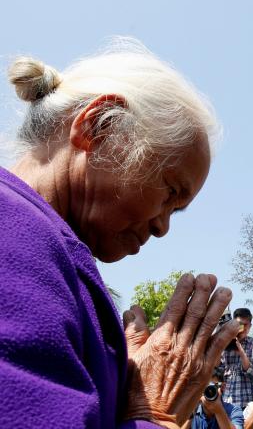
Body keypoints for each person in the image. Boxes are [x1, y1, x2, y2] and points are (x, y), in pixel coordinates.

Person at [0, 38, 240, 428]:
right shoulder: (13, 233)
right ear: (99, 125)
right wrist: (155, 415)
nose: (162, 227)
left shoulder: (44, 245)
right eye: (170, 192)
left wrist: (113, 376)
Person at [221, 308, 253, 410]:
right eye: (240, 324)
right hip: (226, 399)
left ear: (250, 326)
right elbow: (217, 369)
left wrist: (240, 351)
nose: (243, 328)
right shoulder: (224, 342)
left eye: (246, 325)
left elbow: (250, 371)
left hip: (246, 401)